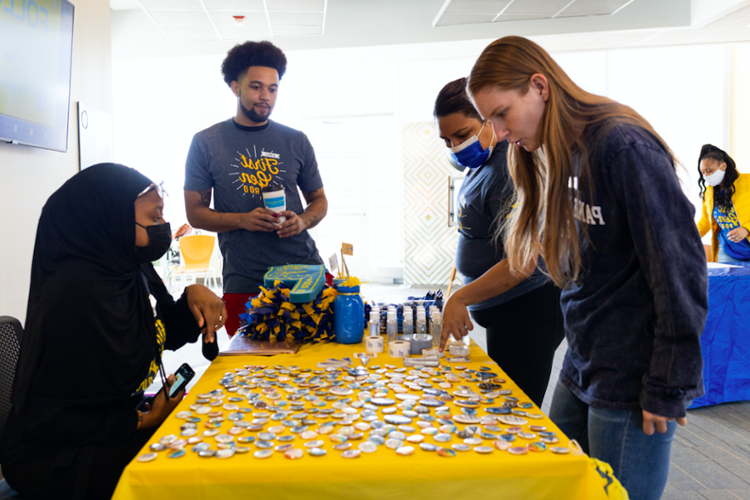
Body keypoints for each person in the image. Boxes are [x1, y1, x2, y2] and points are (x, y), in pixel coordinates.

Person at [440, 36, 706, 500]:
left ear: (539, 86)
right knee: (557, 484)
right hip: (583, 360)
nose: (498, 133)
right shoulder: (561, 151)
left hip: (629, 374)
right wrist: (463, 295)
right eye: (490, 121)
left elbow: (679, 267)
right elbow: (537, 253)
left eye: (501, 114)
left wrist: (669, 381)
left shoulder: (621, 145)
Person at [0, 163, 227, 500]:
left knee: (206, 429)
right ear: (110, 220)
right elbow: (44, 419)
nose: (164, 226)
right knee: (192, 470)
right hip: (54, 454)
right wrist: (139, 423)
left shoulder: (125, 269)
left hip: (110, 419)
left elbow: (154, 338)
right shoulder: (74, 296)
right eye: (153, 217)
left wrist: (189, 299)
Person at [184, 40, 329, 337]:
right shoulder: (206, 143)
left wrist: (302, 221)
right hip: (246, 281)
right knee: (250, 372)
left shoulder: (296, 140)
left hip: (305, 272)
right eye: (256, 87)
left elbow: (319, 200)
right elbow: (195, 213)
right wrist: (243, 219)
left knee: (316, 368)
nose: (266, 97)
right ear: (235, 87)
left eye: (272, 89)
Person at [435, 78, 564, 406]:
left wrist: (460, 298)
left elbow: (523, 261)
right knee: (501, 403)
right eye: (447, 140)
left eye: (462, 135)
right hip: (503, 309)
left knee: (515, 412)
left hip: (528, 307)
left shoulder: (510, 166)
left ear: (488, 119)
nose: (456, 147)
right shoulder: (481, 165)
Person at [697, 144, 750, 264]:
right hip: (728, 252)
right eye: (703, 172)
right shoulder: (709, 193)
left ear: (723, 166)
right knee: (727, 283)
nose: (706, 176)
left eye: (709, 171)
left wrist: (747, 229)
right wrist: (686, 238)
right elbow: (705, 222)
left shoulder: (747, 182)